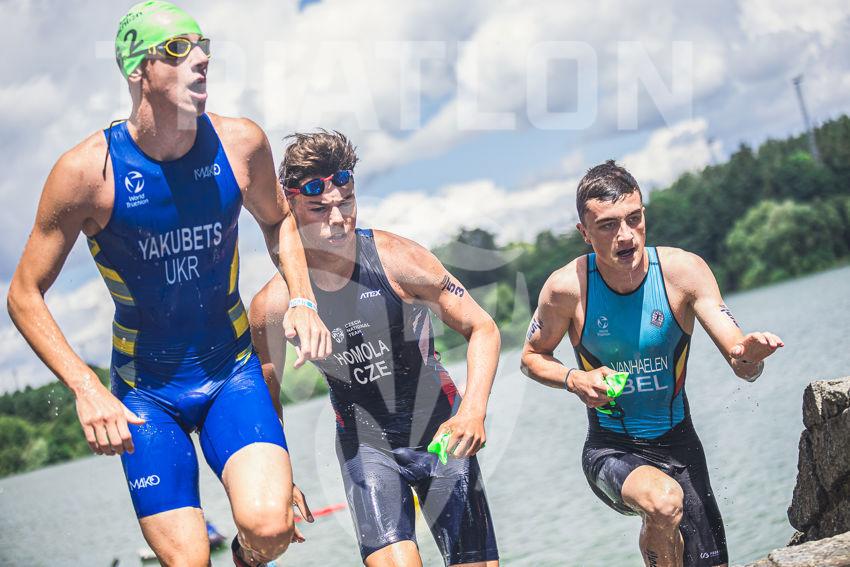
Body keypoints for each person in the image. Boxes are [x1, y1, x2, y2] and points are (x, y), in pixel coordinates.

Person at [6, 3, 330, 566]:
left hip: (232, 370)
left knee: (271, 528)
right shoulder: (87, 173)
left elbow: (279, 220)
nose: (200, 59)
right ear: (138, 70)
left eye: (203, 46)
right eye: (178, 50)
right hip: (145, 394)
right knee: (188, 560)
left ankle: (245, 556)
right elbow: (23, 293)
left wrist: (301, 296)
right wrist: (86, 388)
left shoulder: (239, 144)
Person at [249, 130, 500, 567]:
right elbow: (265, 389)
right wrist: (278, 475)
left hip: (440, 432)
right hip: (366, 448)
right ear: (289, 207)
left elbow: (482, 327)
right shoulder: (273, 304)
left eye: (346, 202)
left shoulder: (400, 260)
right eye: (319, 208)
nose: (338, 219)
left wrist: (473, 411)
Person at [520, 160, 784, 567]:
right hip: (611, 448)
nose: (626, 235)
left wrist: (750, 355)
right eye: (607, 225)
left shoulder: (683, 272)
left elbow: (742, 362)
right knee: (662, 502)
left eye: (634, 218)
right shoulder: (566, 288)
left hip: (680, 444)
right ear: (584, 233)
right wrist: (574, 379)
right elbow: (530, 357)